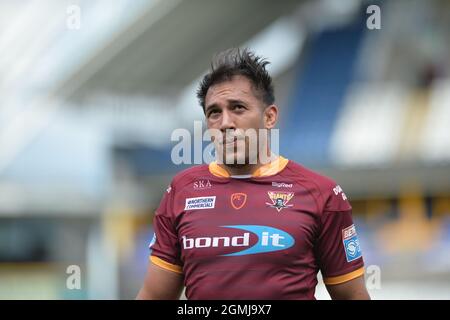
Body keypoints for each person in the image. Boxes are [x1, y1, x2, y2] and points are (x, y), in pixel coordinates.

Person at [137, 48, 370, 300]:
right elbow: (153, 295)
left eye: (237, 108)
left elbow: (352, 296)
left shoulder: (321, 194)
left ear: (269, 117)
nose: (225, 123)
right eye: (214, 112)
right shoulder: (182, 190)